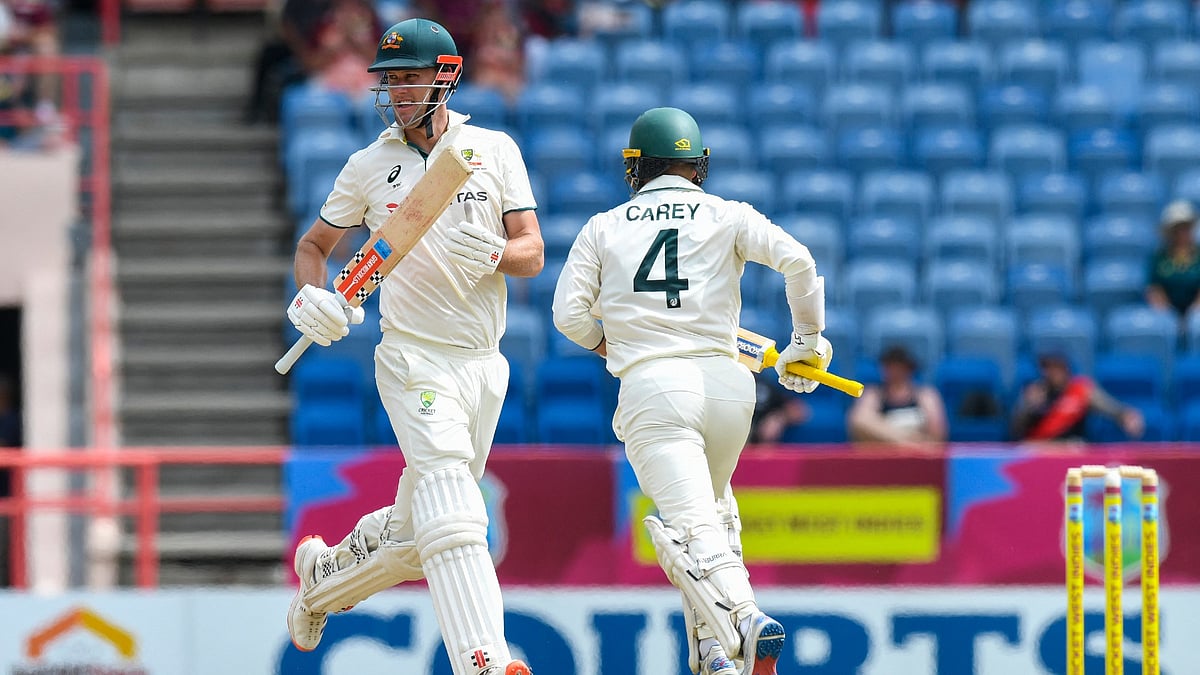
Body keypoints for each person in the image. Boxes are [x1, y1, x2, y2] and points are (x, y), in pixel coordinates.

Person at [283, 18, 543, 675]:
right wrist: (311, 296)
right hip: (412, 357)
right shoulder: (368, 166)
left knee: (416, 534)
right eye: (389, 79)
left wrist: (495, 252)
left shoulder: (492, 150)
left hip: (483, 363)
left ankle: (322, 580)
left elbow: (533, 252)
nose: (397, 91)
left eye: (409, 77)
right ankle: (484, 660)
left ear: (445, 77)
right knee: (455, 507)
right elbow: (314, 247)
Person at [553, 107, 832, 675]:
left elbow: (568, 316)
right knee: (713, 512)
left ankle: (746, 619)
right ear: (698, 164)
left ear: (636, 165)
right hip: (730, 387)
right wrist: (807, 341)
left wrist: (615, 345)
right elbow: (800, 263)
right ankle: (712, 653)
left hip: (655, 388)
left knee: (690, 529)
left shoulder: (603, 226)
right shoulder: (729, 214)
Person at [1011, 351, 1144, 443]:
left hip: (1072, 447)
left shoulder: (1081, 390)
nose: (1052, 372)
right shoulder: (1035, 391)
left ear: (1065, 368)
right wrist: (1026, 408)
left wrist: (1126, 415)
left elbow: (1112, 409)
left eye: (1056, 367)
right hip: (1039, 448)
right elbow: (1015, 430)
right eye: (1046, 367)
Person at [847, 346, 947, 448]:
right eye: (889, 366)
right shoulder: (873, 394)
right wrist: (904, 440)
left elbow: (937, 434)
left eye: (899, 366)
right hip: (885, 451)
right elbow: (859, 422)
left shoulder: (925, 395)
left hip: (919, 454)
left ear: (909, 369)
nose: (894, 370)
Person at [1145, 199, 1200, 319]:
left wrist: (1194, 313)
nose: (1182, 233)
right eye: (1177, 229)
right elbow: (1154, 289)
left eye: (1186, 227)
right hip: (1167, 313)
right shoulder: (1159, 257)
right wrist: (1168, 314)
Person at [748, 372, 809, 444]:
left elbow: (799, 411)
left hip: (758, 432)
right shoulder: (737, 383)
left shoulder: (762, 384)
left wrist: (779, 417)